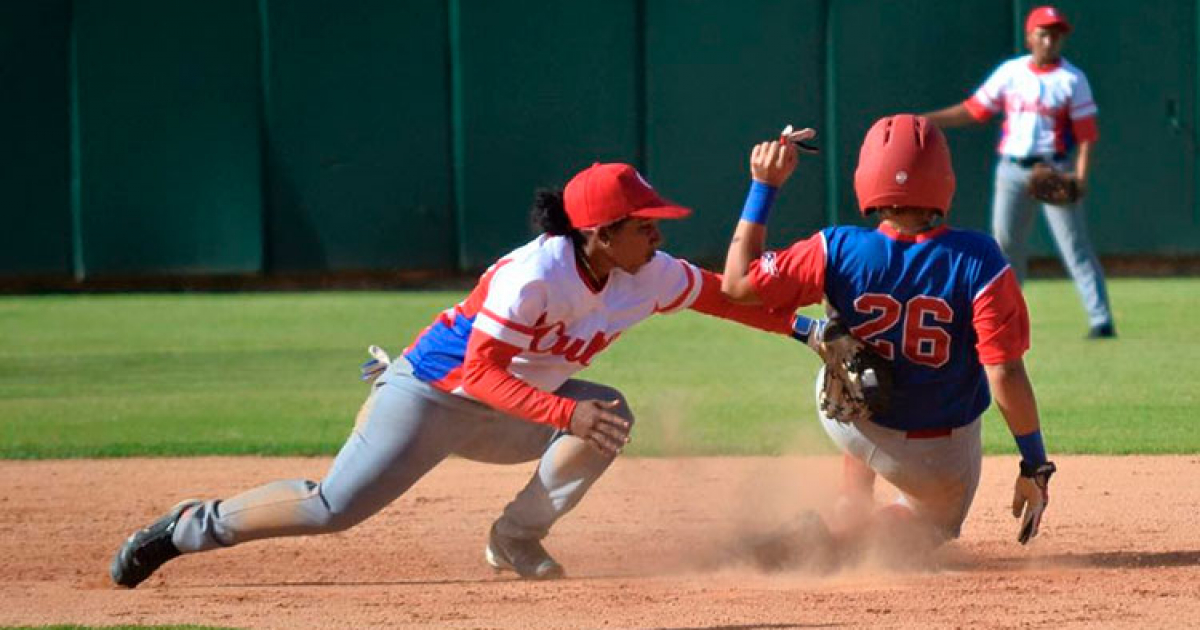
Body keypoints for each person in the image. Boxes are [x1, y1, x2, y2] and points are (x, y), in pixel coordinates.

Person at [109, 162, 796, 587]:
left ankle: (516, 540)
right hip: (431, 395)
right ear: (600, 233)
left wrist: (808, 330)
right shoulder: (533, 276)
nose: (660, 235)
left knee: (607, 411)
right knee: (332, 509)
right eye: (645, 225)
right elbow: (481, 372)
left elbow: (730, 299)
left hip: (514, 408)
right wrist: (562, 413)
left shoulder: (648, 275)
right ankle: (186, 527)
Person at [720, 115, 1056, 555]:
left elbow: (735, 283)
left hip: (850, 422)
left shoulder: (834, 247)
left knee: (847, 355)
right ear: (944, 179)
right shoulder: (979, 260)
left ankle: (850, 501)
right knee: (928, 523)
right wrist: (1034, 463)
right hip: (936, 457)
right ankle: (843, 541)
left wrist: (764, 185)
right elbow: (1005, 373)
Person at [922, 5, 1115, 339]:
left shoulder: (1072, 79)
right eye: (1044, 33)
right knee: (1005, 245)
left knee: (1075, 245)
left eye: (1056, 34)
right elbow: (974, 110)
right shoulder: (1011, 73)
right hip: (1012, 169)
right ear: (1030, 37)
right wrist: (930, 119)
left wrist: (1080, 178)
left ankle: (1101, 320)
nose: (1051, 40)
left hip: (1054, 169)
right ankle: (1004, 315)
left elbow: (1086, 136)